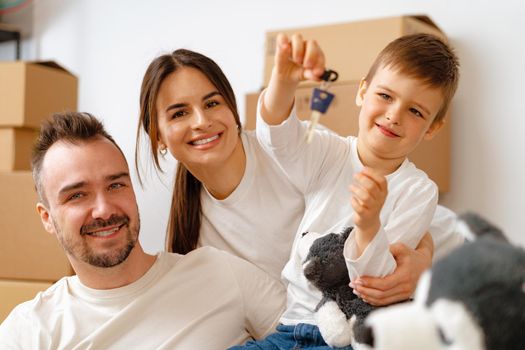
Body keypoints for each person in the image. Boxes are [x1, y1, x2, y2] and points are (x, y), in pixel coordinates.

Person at [135, 49, 462, 305]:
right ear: (158, 137)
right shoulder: (194, 235)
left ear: (233, 111)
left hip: (428, 255)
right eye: (179, 112)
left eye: (212, 103)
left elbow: (428, 225)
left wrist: (425, 261)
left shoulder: (290, 151)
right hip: (312, 319)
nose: (201, 121)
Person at [231, 32, 460, 349]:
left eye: (415, 111)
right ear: (362, 92)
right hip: (291, 327)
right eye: (385, 96)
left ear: (433, 127)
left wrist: (368, 226)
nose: (394, 115)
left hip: (347, 338)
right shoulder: (329, 152)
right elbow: (277, 140)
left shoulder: (418, 191)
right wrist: (283, 82)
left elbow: (377, 282)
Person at [0, 112, 285, 349]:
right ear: (47, 217)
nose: (104, 209)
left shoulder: (220, 274)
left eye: (115, 185)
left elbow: (317, 334)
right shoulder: (29, 331)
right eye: (77, 195)